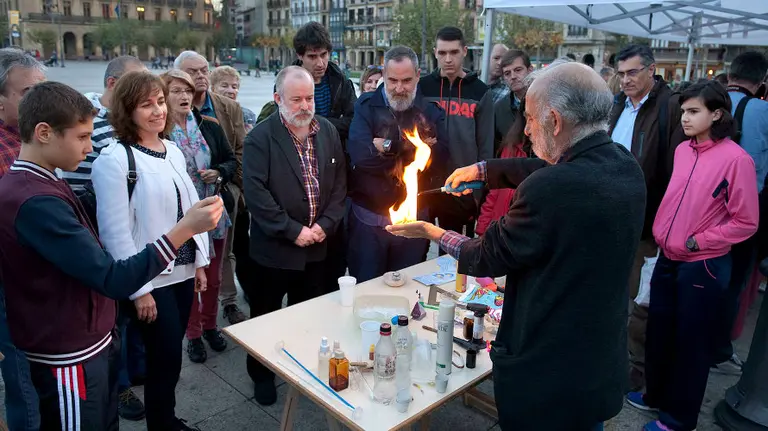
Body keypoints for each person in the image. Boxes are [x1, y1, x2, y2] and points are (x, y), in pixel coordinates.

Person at [386, 62, 646, 431]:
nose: (525, 128)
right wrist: (483, 170)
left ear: (554, 121)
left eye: (529, 119)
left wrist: (431, 232)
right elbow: (550, 168)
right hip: (596, 369)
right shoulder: (623, 165)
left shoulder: (551, 191)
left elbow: (482, 256)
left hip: (549, 376)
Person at [0, 81, 223, 431]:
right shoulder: (37, 199)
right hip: (68, 352)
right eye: (82, 137)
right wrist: (182, 232)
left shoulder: (47, 184)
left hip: (84, 341)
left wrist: (197, 256)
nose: (91, 147)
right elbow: (111, 268)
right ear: (44, 133)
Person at [627, 80, 759, 431]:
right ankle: (655, 395)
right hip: (668, 256)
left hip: (704, 265)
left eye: (693, 111)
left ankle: (677, 419)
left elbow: (746, 222)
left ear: (717, 114)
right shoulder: (684, 150)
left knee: (690, 344)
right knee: (659, 331)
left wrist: (699, 242)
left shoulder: (737, 160)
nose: (684, 118)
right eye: (683, 110)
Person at [91, 71, 211, 431]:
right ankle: (162, 423)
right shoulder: (114, 160)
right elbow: (116, 234)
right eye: (147, 105)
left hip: (182, 268)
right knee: (165, 358)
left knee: (169, 356)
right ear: (127, 111)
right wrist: (139, 291)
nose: (158, 110)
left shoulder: (171, 148)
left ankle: (165, 417)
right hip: (149, 277)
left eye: (160, 101)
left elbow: (187, 207)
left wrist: (200, 263)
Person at [242, 66, 346, 406]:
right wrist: (292, 230)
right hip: (273, 253)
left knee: (306, 315)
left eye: (310, 98)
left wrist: (325, 226)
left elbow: (339, 186)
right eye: (296, 99)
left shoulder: (328, 131)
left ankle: (299, 365)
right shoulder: (260, 138)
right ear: (278, 99)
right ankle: (261, 374)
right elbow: (257, 195)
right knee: (266, 316)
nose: (305, 106)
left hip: (318, 248)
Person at [60, 54, 150, 421]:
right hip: (99, 234)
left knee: (130, 314)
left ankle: (134, 369)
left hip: (133, 233)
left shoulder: (126, 120)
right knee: (114, 317)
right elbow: (81, 185)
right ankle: (120, 385)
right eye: (135, 85)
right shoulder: (89, 120)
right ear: (114, 85)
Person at [609, 44, 685, 391]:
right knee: (613, 291)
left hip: (647, 222)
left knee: (641, 299)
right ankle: (612, 359)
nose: (625, 80)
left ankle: (637, 371)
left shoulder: (669, 107)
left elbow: (674, 171)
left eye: (632, 72)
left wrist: (663, 222)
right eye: (621, 73)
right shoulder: (616, 106)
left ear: (651, 70)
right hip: (611, 216)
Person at [346, 46, 449, 282]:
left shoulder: (431, 112)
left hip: (413, 219)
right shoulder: (365, 106)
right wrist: (415, 149)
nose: (399, 88)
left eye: (406, 80)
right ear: (384, 75)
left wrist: (387, 146)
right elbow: (361, 155)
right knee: (367, 286)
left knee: (406, 286)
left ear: (418, 76)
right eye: (392, 80)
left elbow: (440, 158)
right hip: (369, 218)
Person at [162, 70, 238, 364]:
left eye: (187, 90)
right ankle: (192, 334)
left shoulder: (208, 124)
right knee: (191, 276)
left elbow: (231, 160)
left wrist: (219, 171)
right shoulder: (161, 131)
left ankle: (210, 325)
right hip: (181, 218)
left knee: (215, 276)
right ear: (164, 96)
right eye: (176, 91)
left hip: (213, 210)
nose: (183, 96)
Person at [175, 51, 248, 325]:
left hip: (221, 196)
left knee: (222, 258)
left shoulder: (225, 110)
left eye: (204, 70)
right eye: (192, 72)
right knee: (192, 265)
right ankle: (193, 327)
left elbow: (239, 152)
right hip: (183, 207)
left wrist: (229, 183)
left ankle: (225, 305)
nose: (200, 76)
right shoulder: (166, 119)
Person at [712, 51, 768, 371]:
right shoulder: (764, 111)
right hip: (746, 210)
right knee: (733, 281)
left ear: (731, 74)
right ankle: (718, 347)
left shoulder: (707, 104)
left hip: (704, 205)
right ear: (761, 81)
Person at [0, 48, 45, 431]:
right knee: (23, 379)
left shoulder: (31, 135)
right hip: (11, 286)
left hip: (41, 281)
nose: (40, 102)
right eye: (28, 93)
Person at [419, 26, 494, 242]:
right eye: (442, 53)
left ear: (464, 51)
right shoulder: (424, 87)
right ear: (435, 53)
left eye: (453, 52)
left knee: (454, 253)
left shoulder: (480, 92)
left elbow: (486, 145)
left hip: (462, 187)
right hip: (428, 183)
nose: (448, 59)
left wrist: (479, 192)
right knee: (419, 248)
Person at [60, 56, 146, 192]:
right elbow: (76, 185)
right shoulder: (83, 120)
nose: (143, 90)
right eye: (135, 84)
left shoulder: (135, 116)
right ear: (112, 83)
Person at [0, 49, 45, 177]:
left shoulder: (30, 131)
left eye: (43, 89)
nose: (43, 99)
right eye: (28, 92)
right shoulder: (5, 152)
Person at [493, 49, 534, 155]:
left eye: (518, 70)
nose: (513, 77)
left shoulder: (545, 101)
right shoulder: (499, 109)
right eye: (507, 73)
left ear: (530, 70)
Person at [210, 66, 258, 133]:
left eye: (234, 87)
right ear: (213, 89)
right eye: (224, 86)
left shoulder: (247, 115)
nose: (231, 91)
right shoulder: (205, 114)